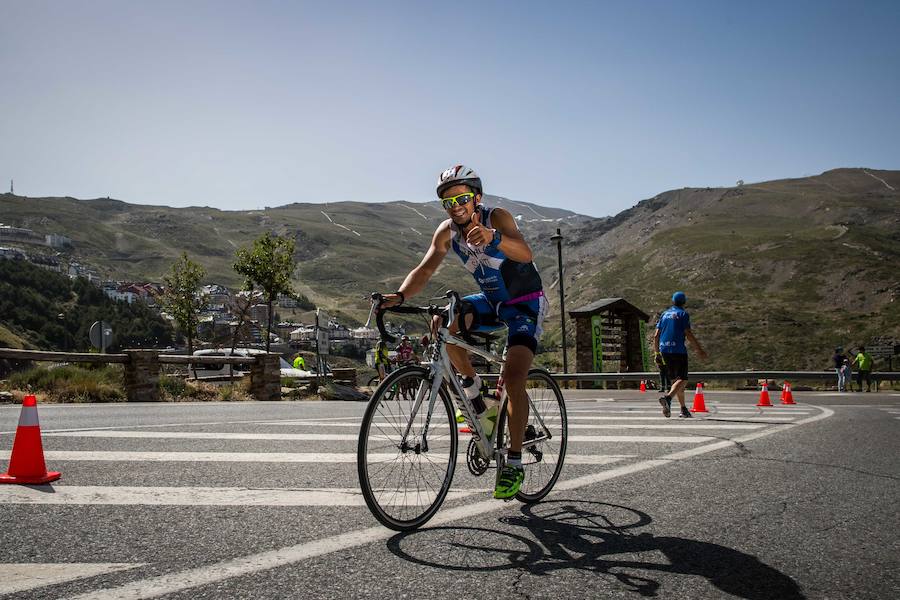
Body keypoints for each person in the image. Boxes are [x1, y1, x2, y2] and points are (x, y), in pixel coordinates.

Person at [378, 164, 548, 500]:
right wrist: (399, 296)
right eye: (448, 201)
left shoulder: (496, 217)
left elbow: (525, 253)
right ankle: (476, 397)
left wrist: (494, 238)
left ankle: (513, 463)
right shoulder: (447, 233)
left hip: (526, 305)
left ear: (477, 197)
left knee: (513, 378)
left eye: (463, 197)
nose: (456, 205)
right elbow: (425, 269)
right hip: (492, 301)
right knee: (443, 323)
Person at [653, 291, 708, 418]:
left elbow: (656, 335)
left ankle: (683, 409)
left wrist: (656, 353)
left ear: (672, 301)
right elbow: (688, 333)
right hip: (678, 350)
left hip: (664, 350)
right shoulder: (683, 314)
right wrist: (699, 350)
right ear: (684, 302)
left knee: (675, 383)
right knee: (683, 380)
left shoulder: (664, 314)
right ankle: (668, 398)